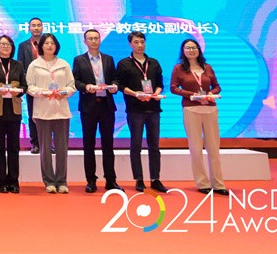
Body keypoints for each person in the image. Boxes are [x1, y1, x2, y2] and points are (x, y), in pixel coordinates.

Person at [170, 39, 228, 196]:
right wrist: (191, 95)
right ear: (183, 51)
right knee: (196, 148)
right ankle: (202, 183)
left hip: (210, 108)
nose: (191, 50)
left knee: (214, 148)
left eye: (194, 47)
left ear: (199, 49)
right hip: (191, 109)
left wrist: (210, 94)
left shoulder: (207, 67)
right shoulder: (179, 69)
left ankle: (218, 183)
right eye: (188, 48)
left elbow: (217, 86)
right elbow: (173, 88)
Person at [116, 30, 167, 193]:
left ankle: (155, 179)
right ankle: (139, 179)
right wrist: (135, 94)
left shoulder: (154, 63)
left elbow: (160, 84)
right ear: (130, 44)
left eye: (142, 42)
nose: (140, 45)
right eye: (136, 42)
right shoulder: (124, 63)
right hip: (135, 109)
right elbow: (120, 86)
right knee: (136, 144)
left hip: (153, 109)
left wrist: (156, 93)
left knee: (154, 145)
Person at [72, 29, 123, 193]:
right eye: (90, 38)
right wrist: (86, 87)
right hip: (88, 106)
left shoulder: (108, 59)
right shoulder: (79, 60)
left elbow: (115, 78)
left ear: (100, 40)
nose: (94, 41)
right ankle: (91, 180)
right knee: (89, 144)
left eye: (96, 38)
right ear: (85, 42)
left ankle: (111, 180)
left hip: (106, 106)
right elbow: (75, 82)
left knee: (108, 144)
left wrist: (115, 86)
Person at [27, 33, 76, 193]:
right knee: (45, 149)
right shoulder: (34, 65)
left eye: (52, 43)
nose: (49, 46)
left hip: (61, 111)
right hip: (43, 111)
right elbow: (30, 87)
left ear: (56, 46)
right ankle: (49, 181)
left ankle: (62, 181)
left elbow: (72, 86)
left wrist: (64, 92)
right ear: (41, 46)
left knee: (62, 149)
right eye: (46, 43)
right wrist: (42, 92)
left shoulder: (64, 64)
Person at [0, 35, 27, 193]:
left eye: (8, 44)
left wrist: (19, 91)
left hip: (14, 109)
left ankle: (14, 181)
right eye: (2, 44)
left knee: (14, 147)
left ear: (12, 47)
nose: (5, 46)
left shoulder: (18, 64)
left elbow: (24, 85)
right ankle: (1, 181)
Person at [17, 17, 44, 154]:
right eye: (33, 25)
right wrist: (26, 83)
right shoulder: (23, 45)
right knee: (33, 114)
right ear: (29, 28)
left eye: (39, 25)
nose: (36, 28)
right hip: (31, 85)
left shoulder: (48, 43)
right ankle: (35, 143)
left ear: (42, 27)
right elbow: (20, 66)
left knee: (47, 115)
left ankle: (47, 143)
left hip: (47, 85)